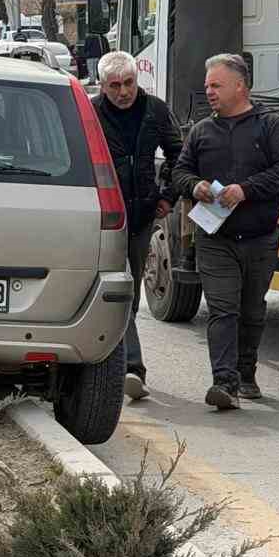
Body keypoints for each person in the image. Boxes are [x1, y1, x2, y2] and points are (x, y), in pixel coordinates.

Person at [171, 53, 279, 410]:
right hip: (216, 240)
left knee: (252, 310)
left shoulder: (270, 126)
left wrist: (246, 189)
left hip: (260, 237)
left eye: (217, 85)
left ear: (240, 86)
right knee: (222, 310)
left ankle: (246, 374)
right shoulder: (202, 131)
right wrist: (194, 186)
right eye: (207, 85)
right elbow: (179, 173)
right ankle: (224, 384)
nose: (208, 91)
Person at [92, 50, 183, 401]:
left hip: (143, 215)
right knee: (119, 291)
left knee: (129, 295)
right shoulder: (91, 112)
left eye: (128, 83)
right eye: (115, 85)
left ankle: (125, 367)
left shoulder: (155, 110)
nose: (123, 92)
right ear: (103, 85)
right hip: (104, 218)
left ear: (136, 80)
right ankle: (131, 367)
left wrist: (167, 196)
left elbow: (180, 154)